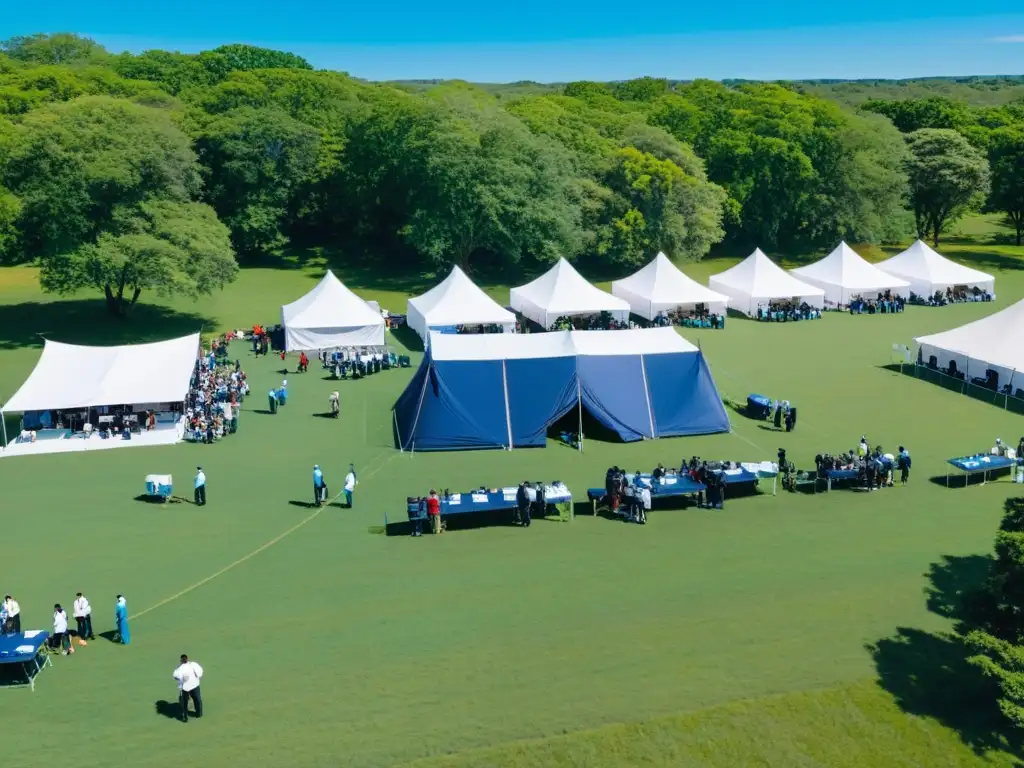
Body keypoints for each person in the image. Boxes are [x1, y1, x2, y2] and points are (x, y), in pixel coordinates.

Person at [173, 654, 204, 722]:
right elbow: (200, 672)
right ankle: (199, 714)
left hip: (186, 687)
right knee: (197, 700)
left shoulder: (180, 667)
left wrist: (182, 679)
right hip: (194, 685)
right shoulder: (192, 665)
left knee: (185, 702)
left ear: (181, 660)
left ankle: (185, 717)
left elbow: (175, 676)